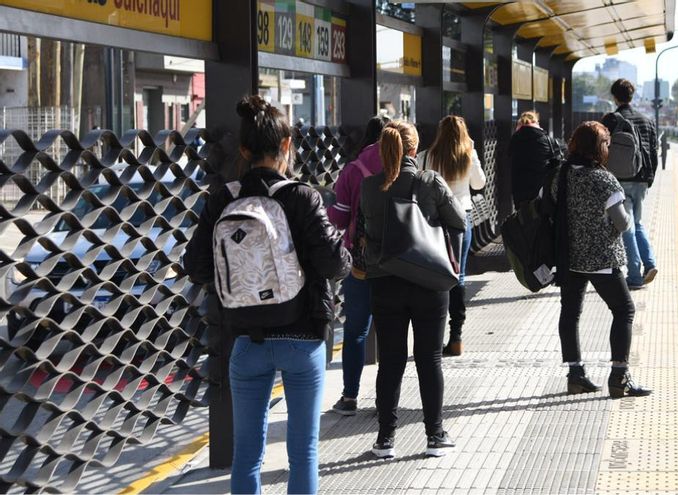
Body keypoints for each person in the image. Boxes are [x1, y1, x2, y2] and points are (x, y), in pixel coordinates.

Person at [183, 96, 351, 494]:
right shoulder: (303, 197)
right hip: (302, 338)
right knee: (303, 452)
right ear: (287, 145)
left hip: (246, 341)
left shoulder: (223, 199)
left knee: (247, 454)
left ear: (244, 150)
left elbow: (196, 266)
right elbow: (335, 264)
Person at [359, 121, 466, 459]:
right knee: (429, 358)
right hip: (428, 281)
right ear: (414, 150)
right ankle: (435, 435)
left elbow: (365, 229)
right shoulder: (430, 181)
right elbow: (459, 221)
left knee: (390, 361)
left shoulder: (369, 187)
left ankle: (385, 440)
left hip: (384, 280)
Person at [550, 121, 651, 399]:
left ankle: (576, 374)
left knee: (570, 313)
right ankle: (619, 376)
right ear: (599, 147)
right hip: (602, 257)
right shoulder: (603, 179)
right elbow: (621, 222)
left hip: (569, 256)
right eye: (606, 144)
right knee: (624, 310)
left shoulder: (563, 174)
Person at [327, 115, 390, 416]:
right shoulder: (402, 165)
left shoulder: (353, 170)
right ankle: (386, 399)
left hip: (362, 264)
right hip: (397, 263)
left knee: (355, 331)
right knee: (393, 332)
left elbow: (338, 219)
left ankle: (350, 397)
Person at [416, 116, 486, 357]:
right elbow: (479, 184)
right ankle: (455, 337)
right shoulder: (468, 155)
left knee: (434, 276)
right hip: (461, 220)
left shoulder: (426, 156)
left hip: (432, 221)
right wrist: (473, 152)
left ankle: (432, 337)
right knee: (459, 276)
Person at [601, 79, 659, 290]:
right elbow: (653, 151)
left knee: (626, 227)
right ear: (632, 96)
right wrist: (649, 178)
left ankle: (634, 275)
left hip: (618, 180)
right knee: (638, 222)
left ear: (614, 97)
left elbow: (602, 150)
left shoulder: (611, 119)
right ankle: (650, 263)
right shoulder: (646, 120)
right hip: (642, 179)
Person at [508, 111, 560, 208]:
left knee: (523, 219)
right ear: (536, 123)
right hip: (542, 191)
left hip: (520, 191)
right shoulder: (547, 140)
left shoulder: (514, 140)